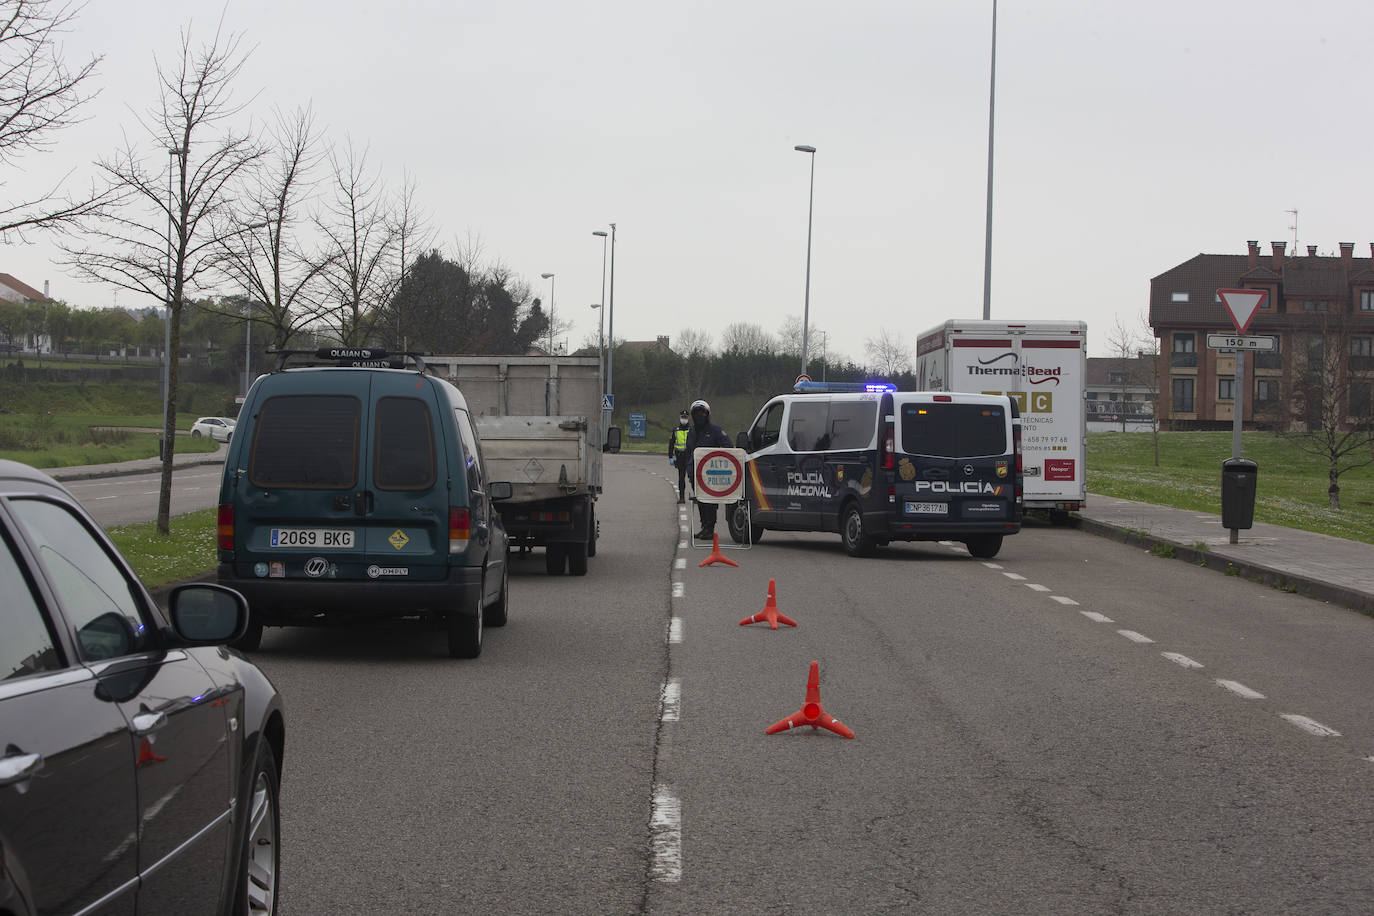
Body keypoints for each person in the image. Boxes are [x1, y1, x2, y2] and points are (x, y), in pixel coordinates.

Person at [683, 398, 731, 539]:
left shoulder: (716, 430)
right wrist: (687, 467)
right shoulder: (691, 431)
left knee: (710, 502)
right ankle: (704, 526)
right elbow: (689, 450)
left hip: (711, 474)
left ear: (707, 414)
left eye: (702, 413)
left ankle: (710, 528)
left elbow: (728, 447)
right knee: (700, 500)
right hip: (695, 474)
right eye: (696, 413)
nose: (699, 416)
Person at [668, 409, 691, 503]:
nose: (684, 419)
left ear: (688, 418)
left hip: (690, 457)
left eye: (685, 417)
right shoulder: (675, 430)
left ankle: (697, 497)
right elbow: (671, 444)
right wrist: (670, 457)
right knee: (681, 478)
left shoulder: (692, 429)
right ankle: (681, 497)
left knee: (693, 477)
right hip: (680, 457)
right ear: (680, 418)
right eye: (682, 417)